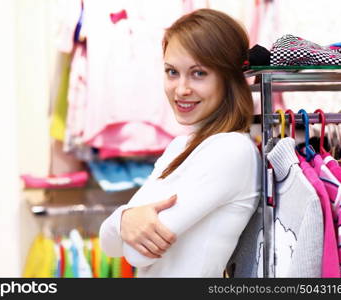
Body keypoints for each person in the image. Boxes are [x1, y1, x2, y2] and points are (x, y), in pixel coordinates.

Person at [99, 8, 261, 277]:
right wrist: (126, 219)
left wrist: (125, 219)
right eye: (172, 72)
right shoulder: (180, 147)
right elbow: (110, 244)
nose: (181, 89)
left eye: (198, 74)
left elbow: (135, 253)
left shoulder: (232, 150)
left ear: (228, 78)